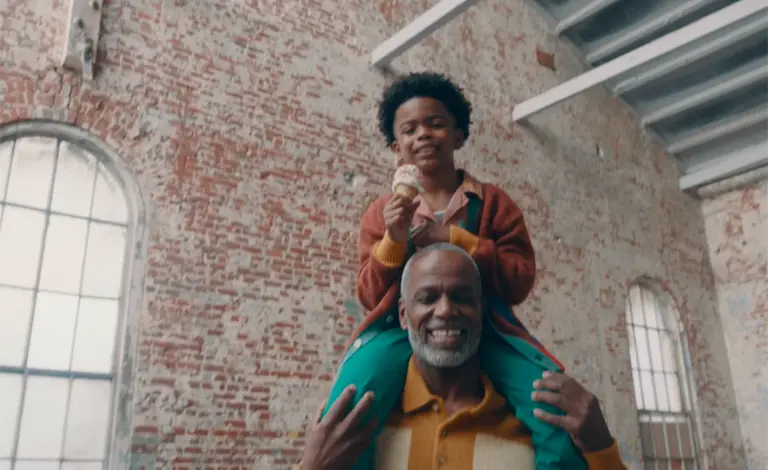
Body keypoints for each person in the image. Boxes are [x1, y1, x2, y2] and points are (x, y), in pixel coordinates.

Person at [322, 72, 582, 469]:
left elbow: (518, 279)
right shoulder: (381, 212)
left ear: (459, 136)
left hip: (486, 327)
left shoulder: (493, 203)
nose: (423, 134)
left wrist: (455, 237)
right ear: (397, 149)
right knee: (353, 399)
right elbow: (370, 295)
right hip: (400, 329)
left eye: (436, 124)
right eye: (409, 130)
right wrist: (393, 239)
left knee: (551, 402)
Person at [303, 245, 627, 470]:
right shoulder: (355, 434)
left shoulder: (536, 425)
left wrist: (601, 448)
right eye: (427, 298)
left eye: (461, 297)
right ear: (403, 315)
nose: (445, 310)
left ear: (482, 312)